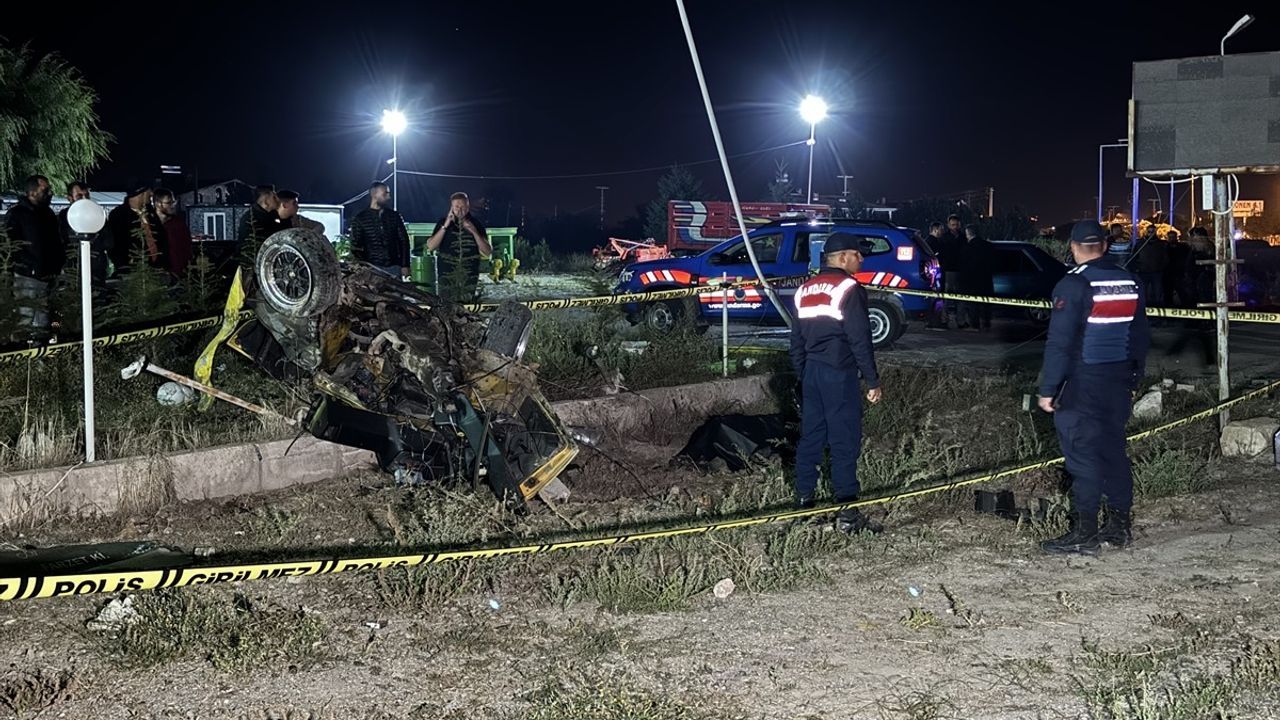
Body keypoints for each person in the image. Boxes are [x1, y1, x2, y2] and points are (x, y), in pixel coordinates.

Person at [1037, 220, 1150, 554]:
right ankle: (1119, 527)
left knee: (1082, 456)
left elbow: (1060, 343)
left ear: (1072, 248)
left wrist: (1048, 389)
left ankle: (1085, 533)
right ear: (1104, 246)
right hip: (1117, 382)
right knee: (1113, 451)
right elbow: (1140, 336)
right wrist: (1133, 379)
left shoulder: (1072, 285)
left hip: (1081, 383)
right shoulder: (1131, 280)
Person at [789, 232, 883, 534]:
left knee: (811, 439)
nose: (862, 259)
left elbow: (796, 342)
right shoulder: (849, 288)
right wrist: (872, 380)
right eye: (858, 254)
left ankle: (803, 504)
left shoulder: (804, 289)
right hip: (839, 375)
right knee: (844, 442)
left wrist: (803, 375)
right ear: (843, 258)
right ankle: (847, 515)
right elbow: (859, 339)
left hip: (812, 375)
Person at [4, 175, 60, 338]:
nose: (49, 193)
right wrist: (30, 265)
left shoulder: (48, 214)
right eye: (45, 190)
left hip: (49, 275)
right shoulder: (17, 214)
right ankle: (23, 353)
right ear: (32, 192)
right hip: (27, 276)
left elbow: (55, 241)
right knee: (26, 316)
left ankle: (43, 349)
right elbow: (12, 245)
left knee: (46, 317)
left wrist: (57, 264)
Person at [427, 191, 492, 301]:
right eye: (456, 207)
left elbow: (487, 251)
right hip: (447, 275)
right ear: (451, 208)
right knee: (446, 306)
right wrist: (445, 226)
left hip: (469, 275)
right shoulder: (443, 223)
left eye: (462, 206)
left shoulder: (475, 224)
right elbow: (431, 246)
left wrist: (474, 231)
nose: (460, 210)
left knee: (466, 307)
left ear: (468, 206)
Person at [349, 182, 411, 278]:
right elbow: (356, 246)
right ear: (374, 194)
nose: (388, 197)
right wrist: (364, 267)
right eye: (385, 193)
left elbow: (403, 241)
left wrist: (405, 264)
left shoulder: (394, 216)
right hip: (373, 268)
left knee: (396, 292)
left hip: (394, 267)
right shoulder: (360, 219)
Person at [56, 180, 111, 288]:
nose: (84, 199)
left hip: (96, 270)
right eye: (79, 196)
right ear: (70, 198)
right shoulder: (62, 219)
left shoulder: (98, 215)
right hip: (72, 271)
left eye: (87, 195)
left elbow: (109, 241)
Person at [105, 185, 161, 275]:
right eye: (149, 190)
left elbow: (161, 237)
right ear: (140, 193)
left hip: (155, 269)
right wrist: (125, 265)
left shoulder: (151, 213)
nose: (151, 194)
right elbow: (114, 245)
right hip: (132, 271)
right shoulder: (119, 215)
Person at [958, 224, 995, 331]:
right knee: (986, 303)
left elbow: (963, 266)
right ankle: (987, 323)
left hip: (971, 281)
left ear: (968, 234)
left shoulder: (967, 248)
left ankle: (975, 325)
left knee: (973, 304)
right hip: (986, 279)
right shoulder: (988, 246)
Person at [235, 185, 283, 264]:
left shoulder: (273, 216)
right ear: (266, 201)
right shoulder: (251, 218)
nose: (278, 200)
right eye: (274, 197)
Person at [153, 188, 193, 277]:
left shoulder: (178, 224)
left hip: (177, 274)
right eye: (168, 203)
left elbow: (187, 249)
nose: (172, 206)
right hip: (155, 274)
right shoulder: (150, 224)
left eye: (173, 202)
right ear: (157, 204)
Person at [1130, 223, 1167, 308]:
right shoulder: (1140, 243)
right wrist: (1137, 268)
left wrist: (1161, 268)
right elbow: (1134, 256)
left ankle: (1158, 309)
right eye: (1149, 232)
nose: (1151, 233)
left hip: (1156, 272)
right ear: (1146, 232)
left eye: (1152, 232)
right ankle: (1143, 308)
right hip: (1143, 271)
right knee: (1143, 292)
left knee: (1157, 292)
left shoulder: (1161, 244)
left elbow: (1165, 258)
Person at [924, 221, 950, 329]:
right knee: (937, 298)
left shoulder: (926, 242)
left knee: (936, 298)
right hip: (936, 276)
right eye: (941, 229)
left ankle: (933, 321)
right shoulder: (934, 243)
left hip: (933, 275)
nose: (942, 232)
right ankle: (935, 322)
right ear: (935, 230)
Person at [941, 214, 966, 325]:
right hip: (948, 271)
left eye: (956, 225)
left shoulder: (963, 238)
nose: (954, 227)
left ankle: (960, 320)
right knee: (946, 297)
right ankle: (944, 319)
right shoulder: (944, 238)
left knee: (960, 298)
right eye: (952, 225)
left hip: (960, 270)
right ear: (948, 225)